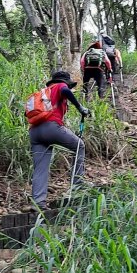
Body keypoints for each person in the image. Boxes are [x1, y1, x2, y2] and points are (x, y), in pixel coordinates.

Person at [29, 70, 89, 210]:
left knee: (40, 168)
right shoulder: (60, 86)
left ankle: (38, 202)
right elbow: (65, 90)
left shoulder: (45, 91)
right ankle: (78, 184)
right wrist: (80, 108)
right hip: (51, 127)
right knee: (79, 146)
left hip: (34, 131)